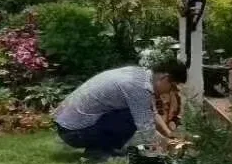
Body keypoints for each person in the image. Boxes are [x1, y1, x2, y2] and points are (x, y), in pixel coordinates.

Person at [54, 61, 184, 158]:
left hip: (68, 127)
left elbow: (151, 111)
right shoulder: (138, 88)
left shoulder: (140, 75)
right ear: (165, 79)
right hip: (74, 132)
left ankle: (103, 148)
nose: (171, 92)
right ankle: (99, 151)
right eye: (172, 87)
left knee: (131, 113)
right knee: (130, 117)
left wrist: (169, 134)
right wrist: (170, 146)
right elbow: (146, 128)